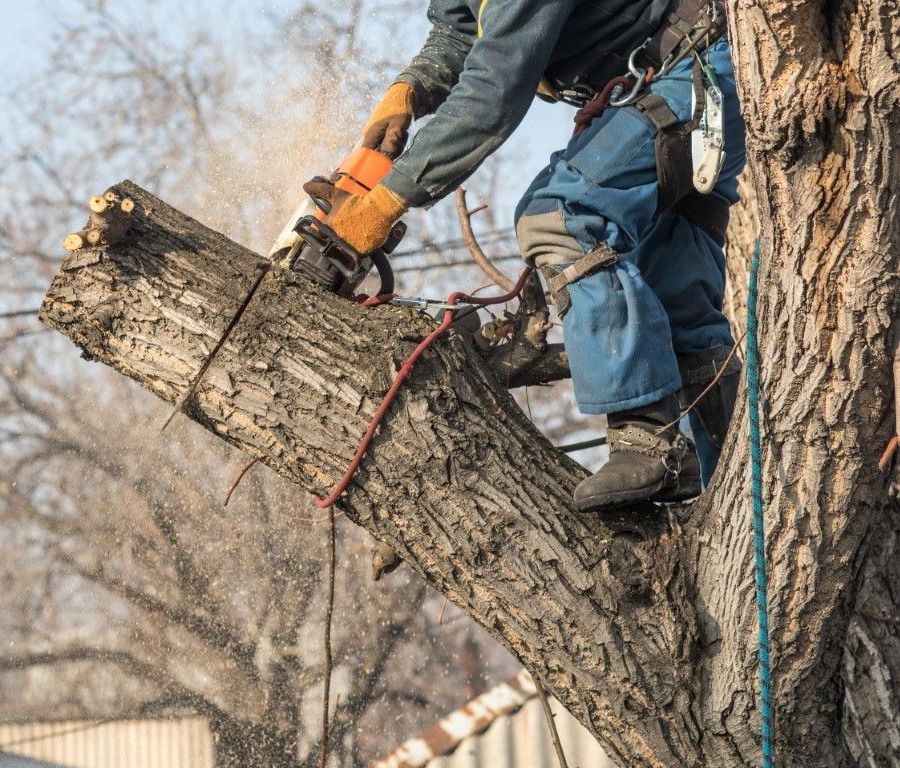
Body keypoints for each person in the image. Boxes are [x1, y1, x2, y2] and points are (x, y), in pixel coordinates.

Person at [314, 0, 745, 511]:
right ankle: (737, 485)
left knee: (559, 215)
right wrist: (410, 89)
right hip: (672, 84)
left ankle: (644, 438)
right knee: (675, 294)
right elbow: (459, 33)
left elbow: (495, 90)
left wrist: (385, 201)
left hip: (700, 75)